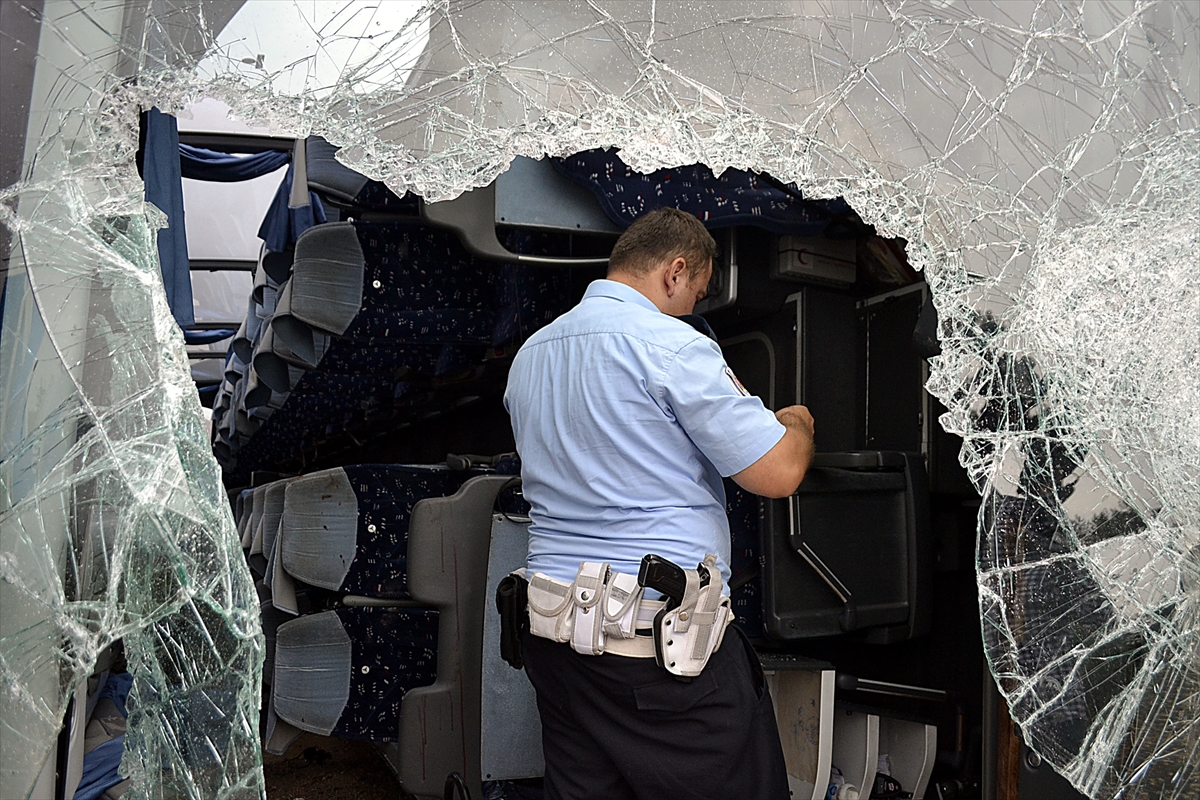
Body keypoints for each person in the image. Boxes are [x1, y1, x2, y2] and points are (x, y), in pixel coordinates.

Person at [504, 207, 816, 800]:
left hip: (556, 641)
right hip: (655, 654)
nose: (692, 311)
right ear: (675, 272)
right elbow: (779, 472)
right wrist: (797, 422)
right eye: (695, 294)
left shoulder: (531, 356)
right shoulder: (670, 345)